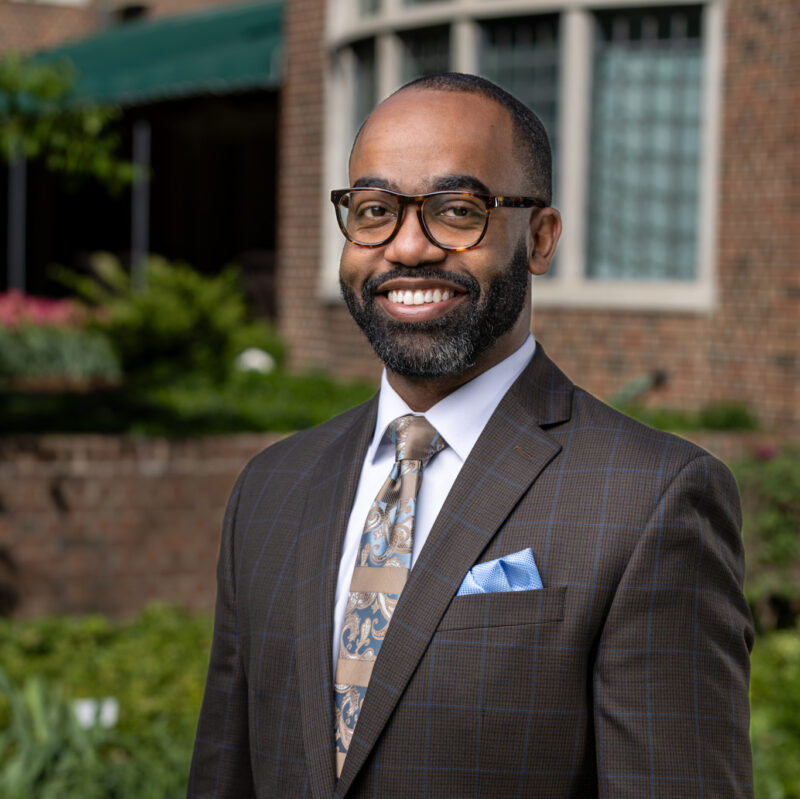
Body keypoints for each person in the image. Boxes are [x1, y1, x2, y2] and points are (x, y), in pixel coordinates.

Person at [188, 73, 753, 798]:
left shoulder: (653, 499)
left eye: (457, 210)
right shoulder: (270, 488)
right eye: (374, 210)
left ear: (540, 237)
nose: (409, 247)